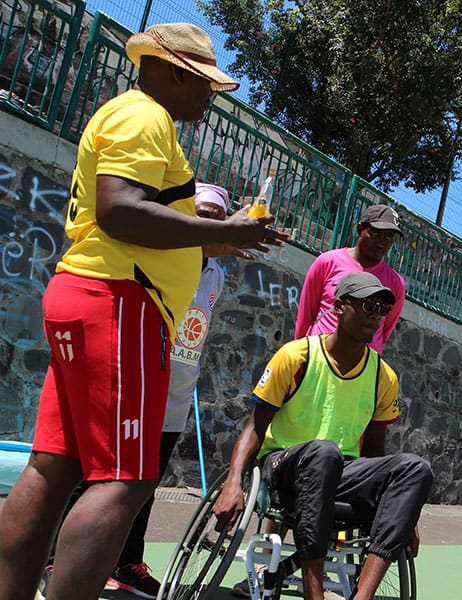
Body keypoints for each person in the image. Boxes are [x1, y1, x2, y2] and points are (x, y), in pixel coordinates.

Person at [0, 23, 286, 600]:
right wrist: (222, 226)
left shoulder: (128, 114)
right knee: (126, 477)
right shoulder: (145, 116)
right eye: (205, 83)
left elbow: (136, 222)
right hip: (120, 303)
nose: (210, 96)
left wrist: (220, 241)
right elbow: (120, 211)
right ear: (175, 71)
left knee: (54, 467)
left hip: (89, 295)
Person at [214, 271, 433, 600]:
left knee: (416, 468)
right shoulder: (296, 357)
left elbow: (375, 452)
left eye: (382, 309)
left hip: (339, 470)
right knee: (324, 452)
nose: (375, 313)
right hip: (284, 465)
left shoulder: (383, 376)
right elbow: (255, 427)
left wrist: (405, 511)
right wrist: (233, 481)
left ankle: (363, 596)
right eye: (367, 304)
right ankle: (314, 592)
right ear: (340, 306)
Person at [294, 204, 406, 353]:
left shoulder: (396, 283)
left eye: (388, 237)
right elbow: (305, 315)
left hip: (363, 370)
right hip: (319, 358)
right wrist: (298, 356)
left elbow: (385, 330)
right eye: (375, 234)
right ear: (360, 229)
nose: (381, 242)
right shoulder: (327, 262)